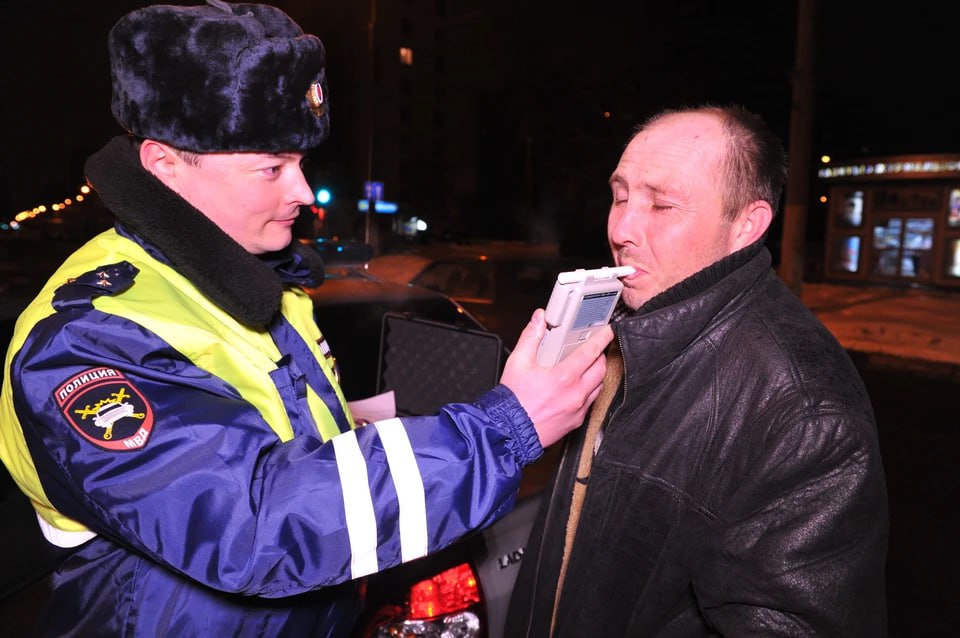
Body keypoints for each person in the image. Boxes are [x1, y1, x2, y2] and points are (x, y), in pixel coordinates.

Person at [0, 2, 612, 636]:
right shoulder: (86, 336)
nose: (301, 192)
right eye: (271, 167)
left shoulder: (257, 284)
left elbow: (276, 448)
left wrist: (360, 424)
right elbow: (254, 522)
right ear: (165, 165)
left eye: (300, 163)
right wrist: (504, 429)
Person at [505, 105, 889, 637]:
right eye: (620, 196)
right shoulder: (628, 321)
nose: (622, 228)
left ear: (746, 225)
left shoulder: (804, 412)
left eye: (662, 205)